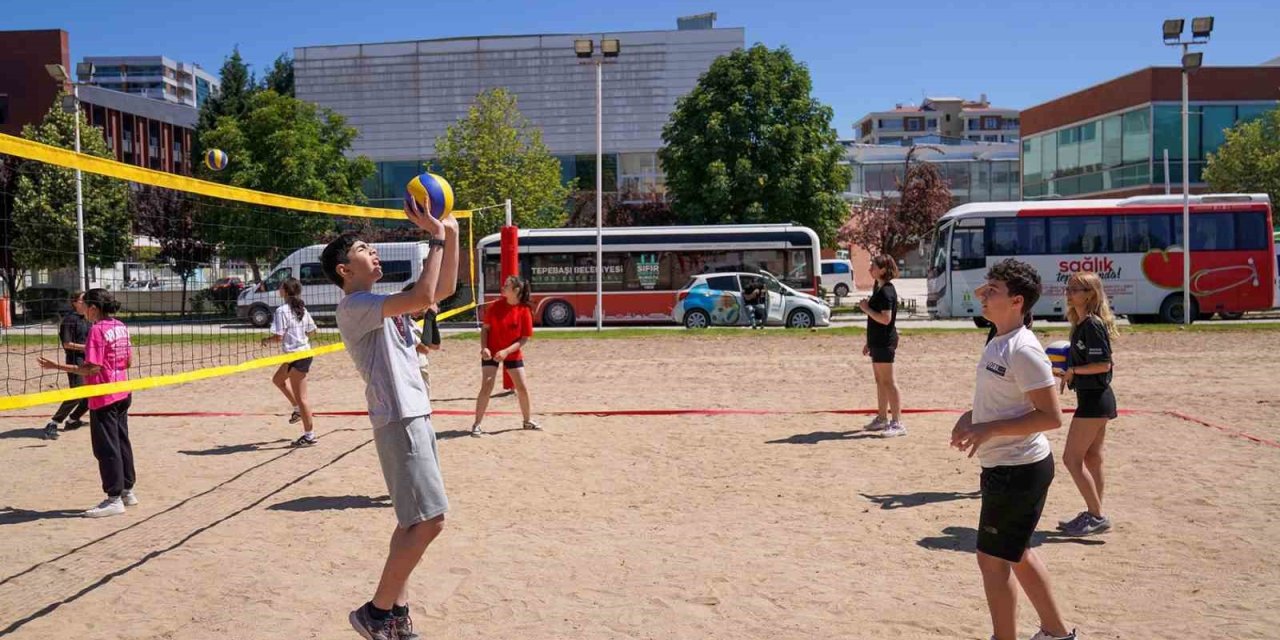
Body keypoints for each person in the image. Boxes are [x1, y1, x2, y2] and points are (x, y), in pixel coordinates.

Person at [321, 194, 459, 640]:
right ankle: (376, 612)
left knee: (412, 522)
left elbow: (440, 292)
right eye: (363, 249)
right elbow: (423, 293)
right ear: (344, 270)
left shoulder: (381, 302)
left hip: (414, 414)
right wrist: (434, 239)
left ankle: (396, 614)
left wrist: (451, 236)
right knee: (431, 520)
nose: (373, 251)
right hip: (399, 417)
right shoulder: (355, 306)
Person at [950, 259, 1077, 640]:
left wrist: (988, 428)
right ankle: (1056, 634)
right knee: (1016, 551)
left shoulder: (1023, 349)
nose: (983, 296)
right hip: (1006, 465)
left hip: (1019, 469)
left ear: (1017, 301)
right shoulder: (998, 339)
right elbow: (1007, 401)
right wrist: (971, 416)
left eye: (994, 292)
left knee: (992, 559)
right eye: (986, 289)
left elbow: (1051, 416)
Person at [37, 289, 137, 519]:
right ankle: (127, 492)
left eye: (86, 306)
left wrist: (57, 367)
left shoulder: (97, 330)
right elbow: (128, 361)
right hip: (122, 390)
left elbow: (91, 368)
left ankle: (113, 498)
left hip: (103, 394)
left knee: (106, 447)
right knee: (121, 440)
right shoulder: (121, 326)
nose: (83, 311)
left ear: (93, 308)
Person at [1055, 271, 1119, 537]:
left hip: (1095, 399)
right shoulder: (1081, 323)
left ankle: (1096, 515)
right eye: (1068, 288)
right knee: (1093, 458)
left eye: (1075, 289)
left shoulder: (1092, 324)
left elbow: (1103, 364)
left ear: (1090, 294)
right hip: (1094, 397)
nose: (1068, 293)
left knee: (1071, 459)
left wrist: (1073, 372)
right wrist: (1067, 371)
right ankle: (1094, 513)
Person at [470, 275, 538, 437]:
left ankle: (527, 421)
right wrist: (484, 348)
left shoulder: (524, 310)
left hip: (512, 352)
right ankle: (477, 424)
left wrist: (507, 351)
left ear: (516, 291)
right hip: (491, 351)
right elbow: (485, 329)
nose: (503, 287)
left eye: (507, 285)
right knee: (487, 385)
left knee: (522, 387)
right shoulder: (495, 306)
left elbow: (524, 339)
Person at [261, 277, 319, 447]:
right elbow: (313, 331)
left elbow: (278, 337)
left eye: (280, 286)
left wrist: (266, 340)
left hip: (298, 356)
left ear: (285, 290)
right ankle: (296, 410)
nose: (278, 289)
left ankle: (310, 436)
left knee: (303, 399)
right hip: (298, 354)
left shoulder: (282, 310)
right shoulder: (301, 308)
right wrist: (300, 339)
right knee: (277, 380)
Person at [859, 255, 904, 437]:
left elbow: (885, 319)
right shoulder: (878, 287)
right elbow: (876, 320)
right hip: (877, 340)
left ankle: (897, 423)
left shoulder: (887, 291)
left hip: (885, 341)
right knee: (880, 381)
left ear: (883, 270)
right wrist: (869, 342)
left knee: (889, 382)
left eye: (873, 266)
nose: (870, 269)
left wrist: (866, 309)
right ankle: (882, 418)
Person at [42, 291, 91, 440]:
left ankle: (73, 420)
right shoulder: (70, 320)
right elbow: (67, 344)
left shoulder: (89, 318)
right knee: (77, 393)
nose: (86, 302)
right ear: (75, 302)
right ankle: (53, 423)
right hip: (75, 360)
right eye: (83, 300)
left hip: (89, 359)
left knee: (94, 393)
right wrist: (88, 347)